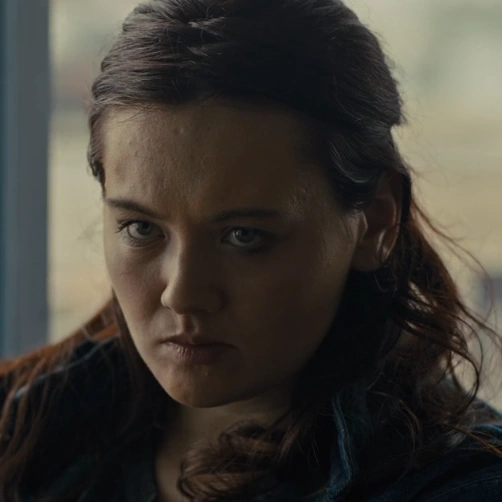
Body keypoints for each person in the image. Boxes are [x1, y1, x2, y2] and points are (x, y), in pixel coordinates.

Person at [1, 0, 502, 500]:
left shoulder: (460, 487)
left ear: (375, 221)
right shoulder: (28, 435)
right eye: (140, 228)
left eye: (244, 236)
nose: (183, 295)